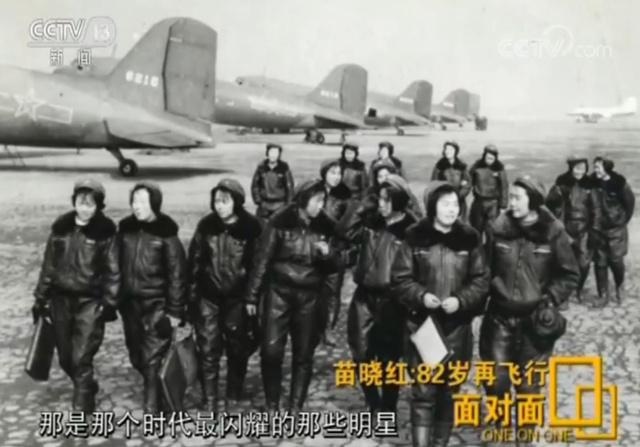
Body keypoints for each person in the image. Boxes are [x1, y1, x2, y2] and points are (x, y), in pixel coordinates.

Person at [480, 176, 578, 441]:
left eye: (517, 198)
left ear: (533, 201)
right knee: (496, 382)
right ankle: (499, 433)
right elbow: (483, 269)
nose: (510, 203)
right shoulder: (497, 228)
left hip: (535, 324)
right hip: (499, 319)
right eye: (510, 197)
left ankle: (525, 439)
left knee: (529, 389)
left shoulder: (553, 231)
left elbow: (569, 273)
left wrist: (550, 299)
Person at [390, 181, 489, 446]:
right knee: (423, 392)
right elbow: (400, 279)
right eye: (445, 204)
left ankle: (440, 441)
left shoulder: (469, 238)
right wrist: (421, 296)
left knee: (448, 390)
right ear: (433, 206)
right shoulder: (415, 238)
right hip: (424, 326)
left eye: (455, 204)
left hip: (457, 327)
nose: (451, 209)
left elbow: (481, 280)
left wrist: (461, 300)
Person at [245, 179, 344, 414]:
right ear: (304, 200)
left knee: (304, 354)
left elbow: (336, 268)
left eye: (323, 200)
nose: (321, 205)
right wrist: (251, 296)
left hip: (309, 297)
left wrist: (328, 254)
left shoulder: (326, 227)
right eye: (317, 200)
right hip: (278, 294)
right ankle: (272, 404)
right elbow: (262, 260)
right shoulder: (279, 223)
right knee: (271, 352)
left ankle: (295, 406)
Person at [33, 179, 120, 413]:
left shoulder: (105, 233)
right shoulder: (61, 229)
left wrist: (109, 303)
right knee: (65, 358)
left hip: (89, 302)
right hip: (60, 301)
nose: (85, 208)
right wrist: (40, 298)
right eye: (81, 202)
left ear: (98, 206)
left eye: (90, 204)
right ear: (74, 202)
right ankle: (87, 385)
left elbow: (113, 271)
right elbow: (49, 266)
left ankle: (81, 411)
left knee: (81, 357)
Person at [340, 174, 417, 415]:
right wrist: (362, 206)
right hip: (364, 297)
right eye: (379, 199)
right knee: (360, 352)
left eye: (386, 199)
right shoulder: (371, 222)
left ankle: (388, 407)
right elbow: (344, 231)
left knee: (389, 359)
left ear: (398, 200)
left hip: (393, 301)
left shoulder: (410, 230)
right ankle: (372, 399)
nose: (381, 204)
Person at [187, 179, 262, 412]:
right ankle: (210, 399)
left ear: (236, 203)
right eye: (217, 201)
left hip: (237, 300)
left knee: (237, 349)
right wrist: (191, 297)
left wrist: (252, 297)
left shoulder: (251, 229)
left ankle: (233, 393)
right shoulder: (206, 226)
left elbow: (258, 267)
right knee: (207, 348)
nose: (219, 206)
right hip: (208, 298)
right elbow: (194, 262)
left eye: (225, 201)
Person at [118, 182, 187, 414]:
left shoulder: (167, 236)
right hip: (130, 306)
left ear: (154, 205)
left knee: (151, 359)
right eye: (134, 201)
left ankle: (152, 410)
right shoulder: (125, 232)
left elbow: (178, 276)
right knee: (137, 356)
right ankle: (163, 396)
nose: (137, 207)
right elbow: (114, 266)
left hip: (157, 306)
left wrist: (175, 312)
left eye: (142, 202)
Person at [545, 156, 593, 305]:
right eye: (577, 168)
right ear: (571, 168)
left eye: (583, 169)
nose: (580, 172)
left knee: (584, 263)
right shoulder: (561, 184)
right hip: (565, 228)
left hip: (584, 230)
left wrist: (592, 229)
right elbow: (550, 209)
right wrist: (561, 230)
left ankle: (578, 290)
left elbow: (596, 209)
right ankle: (563, 294)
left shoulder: (590, 185)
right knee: (562, 262)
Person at [588, 156, 635, 307]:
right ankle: (603, 294)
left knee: (616, 261)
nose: (595, 170)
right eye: (594, 167)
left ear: (606, 168)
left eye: (598, 167)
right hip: (598, 229)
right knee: (600, 263)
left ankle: (620, 288)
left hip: (616, 230)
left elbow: (629, 204)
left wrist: (620, 220)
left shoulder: (619, 184)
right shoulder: (591, 182)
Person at [318, 159, 353, 347]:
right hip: (315, 247)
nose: (336, 177)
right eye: (332, 172)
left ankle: (328, 329)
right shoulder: (314, 192)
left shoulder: (345, 198)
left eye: (339, 173)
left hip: (335, 249)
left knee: (333, 291)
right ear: (324, 173)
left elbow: (347, 227)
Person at [469, 144, 508, 238]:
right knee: (476, 229)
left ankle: (490, 247)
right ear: (484, 156)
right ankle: (477, 247)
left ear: (495, 158)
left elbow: (504, 186)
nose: (489, 160)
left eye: (491, 158)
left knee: (491, 231)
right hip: (479, 202)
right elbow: (469, 179)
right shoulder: (477, 166)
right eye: (487, 158)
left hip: (493, 204)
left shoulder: (499, 168)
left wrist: (503, 204)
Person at [251, 143, 295, 222]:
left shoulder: (284, 168)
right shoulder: (261, 168)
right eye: (271, 152)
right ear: (267, 153)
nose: (273, 155)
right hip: (264, 204)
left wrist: (288, 205)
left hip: (280, 205)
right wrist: (258, 201)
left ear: (279, 155)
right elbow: (255, 185)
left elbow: (289, 187)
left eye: (276, 153)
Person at [430, 141, 471, 221]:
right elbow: (433, 185)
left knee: (460, 224)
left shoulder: (461, 166)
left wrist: (459, 195)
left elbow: (467, 183)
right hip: (444, 201)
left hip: (459, 201)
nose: (448, 151)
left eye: (451, 149)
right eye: (446, 149)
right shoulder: (439, 166)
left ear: (455, 151)